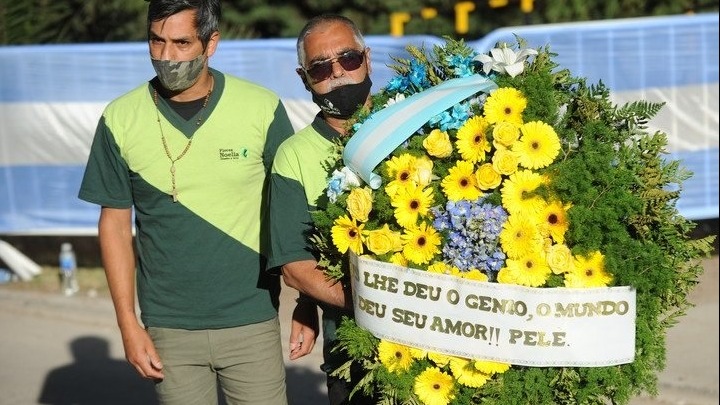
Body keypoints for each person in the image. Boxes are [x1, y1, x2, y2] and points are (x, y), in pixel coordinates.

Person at [78, 1, 294, 404]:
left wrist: (306, 307)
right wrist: (128, 325)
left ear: (211, 43)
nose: (166, 56)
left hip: (252, 319)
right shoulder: (119, 118)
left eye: (181, 43)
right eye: (156, 41)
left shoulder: (262, 108)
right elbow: (114, 225)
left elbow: (291, 214)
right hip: (168, 327)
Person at [268, 14, 375, 405]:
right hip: (354, 350)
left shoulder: (414, 127)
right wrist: (383, 306)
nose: (338, 73)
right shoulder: (292, 157)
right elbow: (296, 268)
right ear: (304, 78)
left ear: (367, 59)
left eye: (348, 59)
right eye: (320, 67)